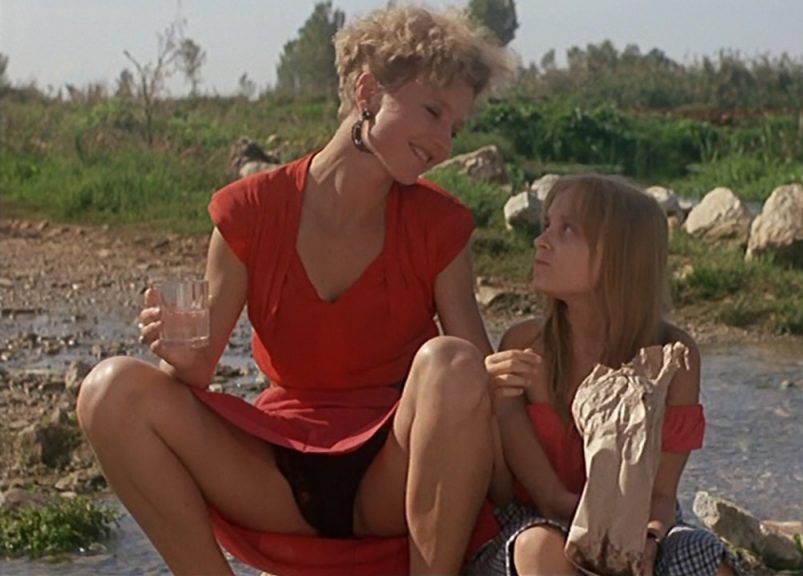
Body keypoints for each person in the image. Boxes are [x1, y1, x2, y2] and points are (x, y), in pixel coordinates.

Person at [76, 5, 514, 575]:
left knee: (453, 361)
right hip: (274, 472)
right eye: (432, 112)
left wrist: (536, 483)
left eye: (454, 127)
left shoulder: (442, 225)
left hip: (392, 474)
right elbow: (196, 372)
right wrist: (178, 355)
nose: (442, 142)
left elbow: (475, 383)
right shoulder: (249, 210)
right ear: (367, 91)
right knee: (108, 389)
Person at [471, 175, 739, 576]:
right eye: (547, 225)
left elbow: (662, 495)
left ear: (621, 255)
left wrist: (648, 541)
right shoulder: (525, 346)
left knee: (704, 556)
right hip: (537, 521)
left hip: (636, 522)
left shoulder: (673, 357)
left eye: (567, 229)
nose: (541, 241)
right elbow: (545, 498)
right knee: (541, 549)